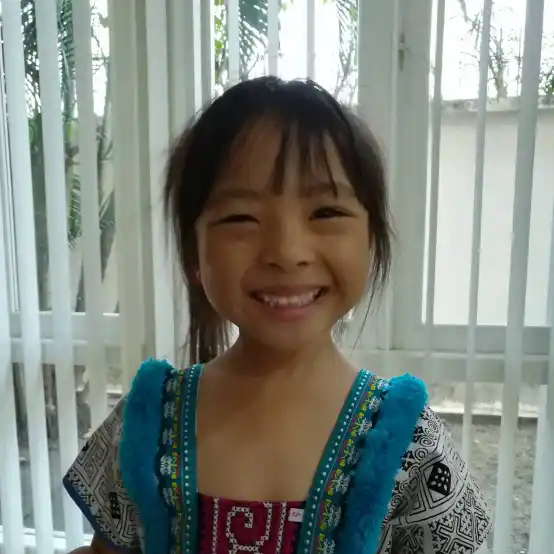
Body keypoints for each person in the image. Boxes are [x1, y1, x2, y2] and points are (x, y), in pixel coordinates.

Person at [64, 76, 491, 554]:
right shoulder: (145, 423)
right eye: (241, 218)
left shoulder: (411, 444)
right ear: (193, 254)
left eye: (326, 212)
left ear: (371, 238)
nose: (287, 253)